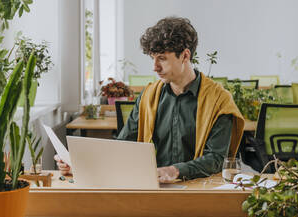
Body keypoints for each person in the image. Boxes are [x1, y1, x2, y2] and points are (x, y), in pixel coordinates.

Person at [56, 17, 245, 183]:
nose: (155, 67)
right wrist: (80, 166)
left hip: (201, 189)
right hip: (155, 187)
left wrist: (175, 170)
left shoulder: (219, 100)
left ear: (185, 56)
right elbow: (123, 146)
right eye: (153, 58)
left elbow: (216, 159)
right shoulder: (148, 96)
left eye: (162, 58)